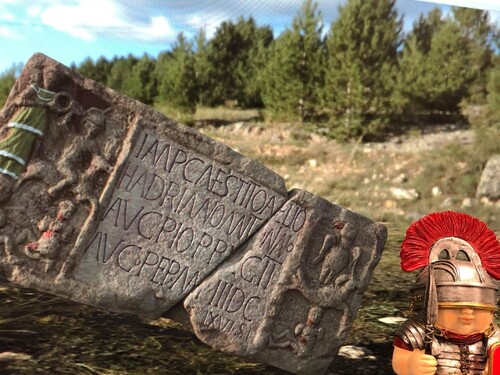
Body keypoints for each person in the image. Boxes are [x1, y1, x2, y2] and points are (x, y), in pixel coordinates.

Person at [392, 211, 500, 375]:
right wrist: (410, 365)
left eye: (478, 308)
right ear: (426, 305)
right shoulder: (417, 333)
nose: (468, 312)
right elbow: (400, 360)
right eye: (455, 306)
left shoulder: (494, 338)